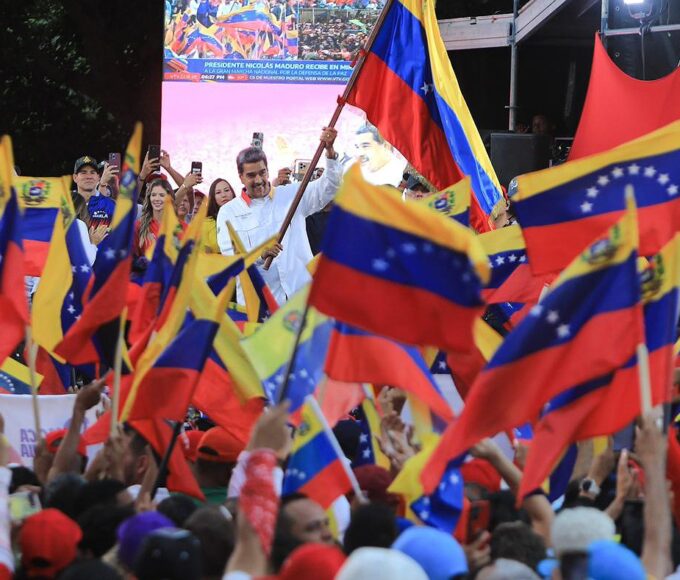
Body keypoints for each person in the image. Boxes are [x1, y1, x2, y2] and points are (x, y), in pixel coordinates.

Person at [216, 127, 342, 304]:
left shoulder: (292, 194)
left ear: (268, 171)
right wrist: (259, 255)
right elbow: (231, 260)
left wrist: (330, 152)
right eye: (251, 175)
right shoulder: (228, 212)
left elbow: (330, 187)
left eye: (262, 173)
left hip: (301, 298)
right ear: (241, 177)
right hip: (261, 305)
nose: (258, 180)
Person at [72, 156, 116, 245]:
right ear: (75, 177)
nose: (89, 176)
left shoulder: (111, 206)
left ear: (98, 177)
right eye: (83, 172)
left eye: (92, 172)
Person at [134, 178, 175, 257]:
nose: (157, 199)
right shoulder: (139, 226)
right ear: (149, 198)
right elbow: (131, 258)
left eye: (161, 195)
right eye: (153, 195)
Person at [202, 178, 236, 253]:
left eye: (226, 190)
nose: (224, 195)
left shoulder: (244, 215)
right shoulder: (206, 223)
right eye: (218, 192)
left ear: (232, 193)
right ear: (213, 197)